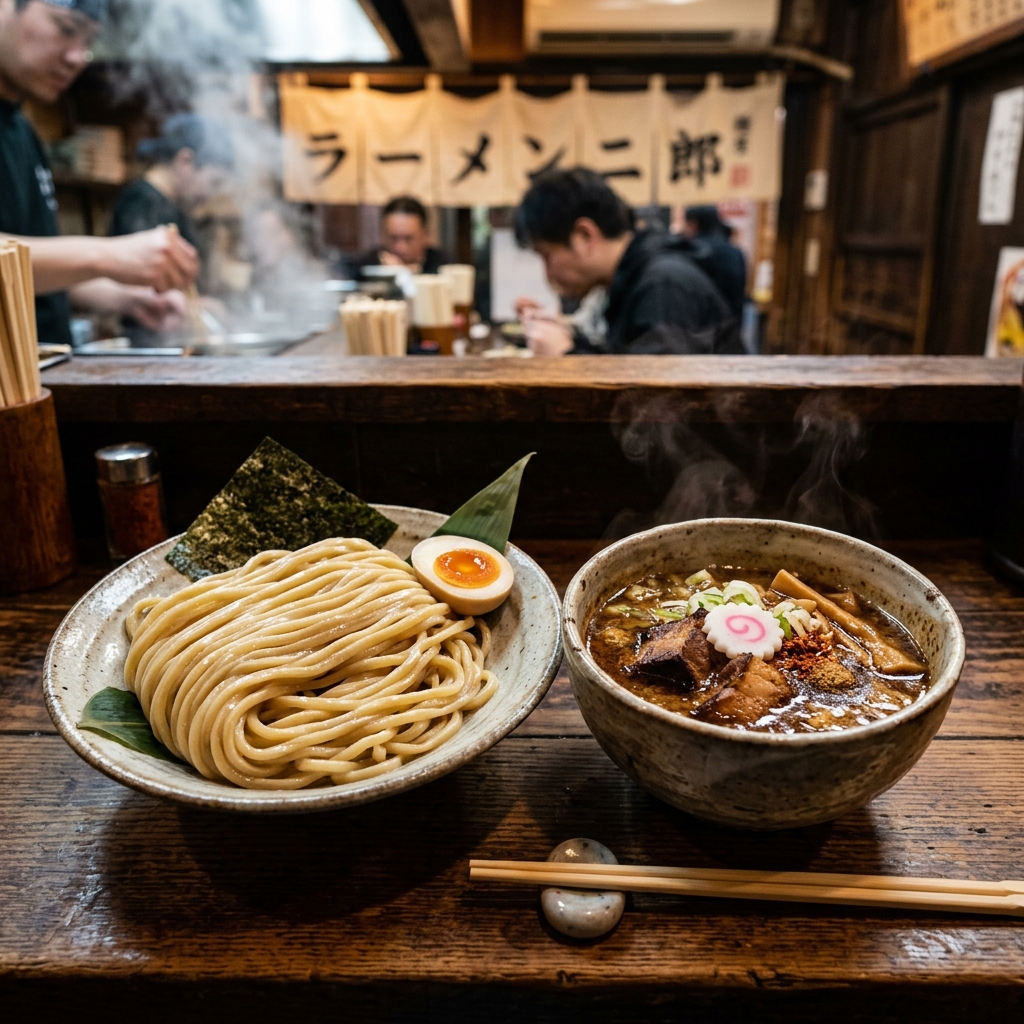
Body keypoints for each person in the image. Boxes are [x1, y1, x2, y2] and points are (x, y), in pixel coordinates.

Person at [0, 0, 197, 346]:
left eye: (89, 41)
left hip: (46, 369)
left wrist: (127, 299)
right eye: (66, 28)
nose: (78, 57)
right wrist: (105, 256)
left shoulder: (22, 129)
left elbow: (31, 275)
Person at [513, 168, 739, 356]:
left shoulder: (664, 284)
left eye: (546, 255)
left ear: (584, 236)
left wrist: (567, 354)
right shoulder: (636, 278)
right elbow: (625, 361)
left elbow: (657, 393)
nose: (547, 274)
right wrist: (568, 339)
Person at [110, 113, 233, 257]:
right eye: (214, 182)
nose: (212, 194)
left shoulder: (172, 205)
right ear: (185, 160)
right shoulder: (141, 203)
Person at [682, 205, 747, 320]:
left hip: (703, 322)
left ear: (694, 224)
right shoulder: (735, 251)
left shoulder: (694, 250)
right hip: (732, 320)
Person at [353, 195, 443, 276]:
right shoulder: (366, 267)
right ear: (382, 235)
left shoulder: (443, 266)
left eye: (408, 239)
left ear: (425, 235)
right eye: (393, 238)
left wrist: (402, 272)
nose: (400, 248)